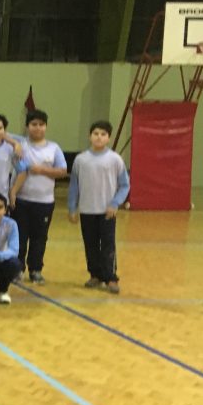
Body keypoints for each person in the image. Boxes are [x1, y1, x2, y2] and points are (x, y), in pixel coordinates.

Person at [67, 120, 130, 295]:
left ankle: (111, 277)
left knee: (108, 245)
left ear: (108, 138)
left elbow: (124, 185)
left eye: (103, 134)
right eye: (95, 133)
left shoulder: (115, 159)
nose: (99, 137)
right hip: (87, 210)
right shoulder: (80, 160)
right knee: (90, 244)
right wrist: (72, 207)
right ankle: (95, 274)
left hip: (107, 212)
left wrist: (115, 203)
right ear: (90, 136)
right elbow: (74, 186)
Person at [10, 110, 68, 284]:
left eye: (41, 124)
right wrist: (15, 143)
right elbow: (1, 134)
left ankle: (36, 269)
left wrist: (41, 170)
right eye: (33, 124)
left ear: (46, 126)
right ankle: (17, 269)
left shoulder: (54, 148)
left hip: (44, 202)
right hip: (21, 200)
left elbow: (62, 171)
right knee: (19, 237)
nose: (37, 128)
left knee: (39, 237)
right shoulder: (21, 143)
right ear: (27, 126)